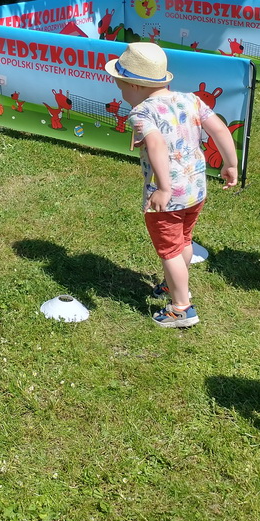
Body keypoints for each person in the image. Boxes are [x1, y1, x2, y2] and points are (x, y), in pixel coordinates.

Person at [104, 42, 238, 328]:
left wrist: (163, 188)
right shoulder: (191, 99)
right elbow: (218, 128)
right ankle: (173, 283)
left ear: (135, 85)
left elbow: (156, 144)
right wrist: (231, 164)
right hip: (195, 189)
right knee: (184, 240)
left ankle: (181, 308)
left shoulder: (142, 113)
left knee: (170, 251)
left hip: (169, 197)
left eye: (121, 85)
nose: (120, 90)